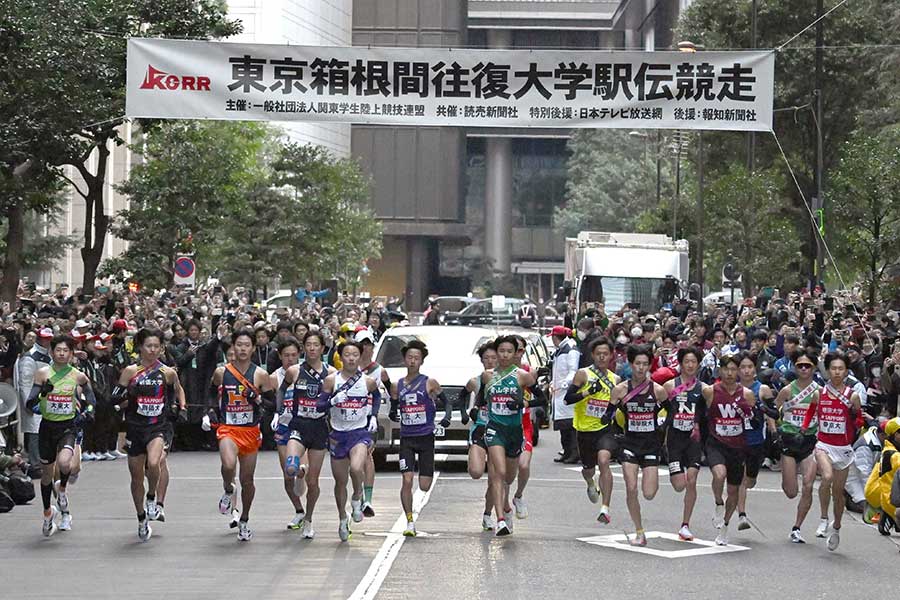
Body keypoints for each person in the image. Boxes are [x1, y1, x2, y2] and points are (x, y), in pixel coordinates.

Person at [204, 328, 275, 542]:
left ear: (253, 348)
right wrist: (209, 412)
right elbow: (209, 392)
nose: (243, 349)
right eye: (239, 344)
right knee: (228, 465)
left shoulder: (260, 375)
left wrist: (258, 398)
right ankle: (228, 489)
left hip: (250, 430)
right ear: (233, 347)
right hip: (228, 428)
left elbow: (273, 403)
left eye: (247, 345)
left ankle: (244, 518)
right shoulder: (221, 372)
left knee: (247, 479)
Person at [112, 328, 182, 541]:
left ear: (162, 348)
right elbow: (114, 397)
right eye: (148, 346)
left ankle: (152, 497)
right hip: (135, 426)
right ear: (140, 347)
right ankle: (141, 517)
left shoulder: (167, 372)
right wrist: (126, 395)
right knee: (135, 477)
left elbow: (178, 390)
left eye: (156, 346)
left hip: (157, 426)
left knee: (154, 463)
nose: (152, 350)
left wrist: (180, 407)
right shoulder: (130, 371)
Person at [26, 335, 96, 536]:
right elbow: (29, 404)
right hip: (47, 427)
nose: (62, 354)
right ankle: (48, 512)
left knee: (65, 463)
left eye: (66, 350)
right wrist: (42, 394)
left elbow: (91, 401)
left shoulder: (78, 376)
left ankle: (63, 489)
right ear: (52, 352)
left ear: (72, 354)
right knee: (47, 475)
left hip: (68, 427)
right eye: (58, 350)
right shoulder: (42, 374)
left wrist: (88, 412)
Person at [317, 340, 383, 542]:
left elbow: (377, 396)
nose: (352, 358)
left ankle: (357, 498)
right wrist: (332, 402)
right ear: (341, 357)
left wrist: (373, 416)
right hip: (338, 434)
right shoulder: (331, 380)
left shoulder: (367, 381)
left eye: (355, 354)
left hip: (359, 433)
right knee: (340, 481)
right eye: (347, 354)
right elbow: (319, 406)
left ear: (360, 356)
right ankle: (342, 518)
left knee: (356, 468)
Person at [604, 344, 669, 546]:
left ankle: (640, 529)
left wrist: (661, 430)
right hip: (629, 443)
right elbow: (607, 416)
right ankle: (639, 532)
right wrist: (614, 433)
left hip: (650, 446)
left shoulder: (657, 390)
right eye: (637, 364)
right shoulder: (620, 390)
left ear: (649, 365)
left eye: (645, 364)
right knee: (631, 488)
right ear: (631, 365)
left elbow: (671, 414)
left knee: (649, 494)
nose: (641, 368)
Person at [800, 352, 862, 551]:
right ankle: (823, 518)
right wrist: (804, 426)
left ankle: (836, 526)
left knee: (838, 493)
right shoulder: (820, 393)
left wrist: (855, 415)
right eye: (833, 368)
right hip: (823, 444)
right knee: (826, 477)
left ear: (845, 371)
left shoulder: (852, 395)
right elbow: (810, 411)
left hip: (843, 448)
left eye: (840, 368)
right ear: (827, 370)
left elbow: (859, 420)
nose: (836, 372)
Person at [388, 340, 450, 536]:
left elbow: (447, 401)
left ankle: (413, 516)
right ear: (404, 359)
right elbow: (393, 406)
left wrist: (447, 416)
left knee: (424, 485)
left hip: (425, 439)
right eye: (409, 357)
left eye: (416, 358)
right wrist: (392, 413)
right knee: (407, 480)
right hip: (406, 439)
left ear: (422, 361)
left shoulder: (429, 382)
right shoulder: (397, 385)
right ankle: (409, 521)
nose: (412, 361)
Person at [277, 331, 334, 539]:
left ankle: (308, 519)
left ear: (322, 348)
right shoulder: (294, 371)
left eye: (315, 344)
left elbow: (336, 398)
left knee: (313, 482)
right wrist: (280, 410)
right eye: (308, 344)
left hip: (319, 428)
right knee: (290, 466)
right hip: (298, 424)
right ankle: (298, 472)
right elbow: (281, 391)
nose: (311, 348)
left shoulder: (331, 373)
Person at [478, 335, 537, 536]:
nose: (504, 355)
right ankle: (500, 519)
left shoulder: (523, 376)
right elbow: (480, 400)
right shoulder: (487, 376)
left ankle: (508, 506)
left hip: (514, 431)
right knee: (498, 472)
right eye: (501, 351)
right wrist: (475, 410)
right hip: (495, 429)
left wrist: (522, 404)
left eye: (509, 351)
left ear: (514, 354)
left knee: (509, 477)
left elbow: (541, 399)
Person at [700, 353, 757, 546]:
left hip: (737, 446)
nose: (730, 373)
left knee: (733, 491)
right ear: (719, 371)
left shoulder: (747, 394)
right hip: (716, 442)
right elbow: (701, 415)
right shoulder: (710, 391)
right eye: (726, 369)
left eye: (734, 369)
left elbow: (752, 421)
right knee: (719, 474)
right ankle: (717, 501)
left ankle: (724, 526)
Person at [564, 336, 620, 524]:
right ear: (593, 355)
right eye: (598, 354)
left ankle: (605, 508)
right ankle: (590, 483)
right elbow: (568, 399)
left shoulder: (615, 379)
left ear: (611, 356)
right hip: (584, 429)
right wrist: (588, 392)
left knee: (604, 461)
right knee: (588, 470)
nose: (602, 357)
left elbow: (617, 404)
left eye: (606, 354)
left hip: (604, 429)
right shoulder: (583, 374)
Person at [775, 350, 822, 543]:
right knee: (791, 491)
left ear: (814, 368)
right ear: (794, 367)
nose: (803, 369)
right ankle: (787, 477)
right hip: (789, 441)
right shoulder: (787, 391)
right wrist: (776, 429)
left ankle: (797, 527)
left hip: (809, 442)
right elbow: (774, 412)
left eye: (807, 365)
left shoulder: (819, 391)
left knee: (808, 486)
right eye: (800, 365)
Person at [662, 347, 705, 541]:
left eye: (693, 362)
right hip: (674, 439)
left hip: (694, 440)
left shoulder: (704, 389)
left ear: (698, 364)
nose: (690, 365)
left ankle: (685, 524)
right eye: (686, 361)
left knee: (692, 480)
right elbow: (659, 409)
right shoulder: (670, 386)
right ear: (680, 364)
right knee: (679, 485)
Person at [736, 352, 777, 532]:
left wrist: (772, 427)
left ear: (755, 369)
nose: (746, 371)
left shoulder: (763, 389)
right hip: (735, 439)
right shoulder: (731, 388)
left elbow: (774, 413)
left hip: (756, 441)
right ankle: (741, 515)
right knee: (739, 479)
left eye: (749, 367)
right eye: (742, 367)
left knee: (750, 480)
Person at [269, 337, 306, 530]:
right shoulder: (274, 377)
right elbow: (266, 400)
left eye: (293, 355)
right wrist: (274, 412)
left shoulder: (306, 372)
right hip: (283, 427)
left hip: (304, 427)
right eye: (286, 356)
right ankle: (299, 510)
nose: (290, 359)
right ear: (280, 356)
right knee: (287, 473)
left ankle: (310, 514)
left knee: (304, 470)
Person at [357, 330, 391, 517]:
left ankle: (367, 500)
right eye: (362, 345)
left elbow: (390, 389)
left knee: (367, 455)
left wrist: (392, 409)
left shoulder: (380, 371)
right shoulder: (346, 368)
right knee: (353, 462)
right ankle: (358, 496)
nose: (366, 349)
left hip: (369, 420)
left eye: (369, 345)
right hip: (349, 420)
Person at [464, 342, 498, 530]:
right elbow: (462, 395)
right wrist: (467, 412)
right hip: (479, 429)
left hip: (498, 431)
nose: (490, 361)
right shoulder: (475, 380)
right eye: (487, 358)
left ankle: (487, 514)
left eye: (494, 357)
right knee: (476, 472)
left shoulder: (506, 379)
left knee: (494, 479)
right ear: (482, 360)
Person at [16, 327, 53, 469]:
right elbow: (24, 384)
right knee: (34, 432)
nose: (47, 341)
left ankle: (42, 462)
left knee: (42, 431)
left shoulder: (48, 355)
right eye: (45, 338)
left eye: (49, 338)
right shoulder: (30, 357)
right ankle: (35, 463)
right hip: (34, 399)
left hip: (46, 399)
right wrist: (29, 403)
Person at [550, 326, 580, 463]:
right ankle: (566, 452)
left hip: (566, 392)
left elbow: (573, 371)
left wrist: (564, 385)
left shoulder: (571, 350)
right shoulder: (561, 350)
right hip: (558, 392)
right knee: (563, 426)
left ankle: (573, 453)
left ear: (556, 338)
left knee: (569, 425)